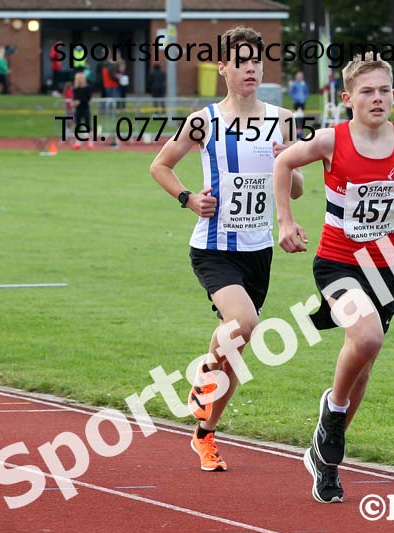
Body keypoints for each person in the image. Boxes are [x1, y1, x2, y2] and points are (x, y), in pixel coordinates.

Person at [273, 53, 394, 503]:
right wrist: (285, 220)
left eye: (384, 90)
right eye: (367, 91)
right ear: (348, 98)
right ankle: (332, 410)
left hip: (383, 268)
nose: (377, 98)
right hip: (336, 262)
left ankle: (325, 461)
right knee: (367, 338)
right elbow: (283, 164)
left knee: (364, 366)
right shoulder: (331, 139)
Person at [149, 26, 304, 472]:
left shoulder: (283, 119)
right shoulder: (203, 121)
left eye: (256, 61)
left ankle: (205, 434)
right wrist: (188, 199)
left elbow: (297, 188)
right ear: (222, 68)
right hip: (214, 246)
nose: (250, 69)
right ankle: (203, 375)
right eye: (240, 62)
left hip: (259, 249)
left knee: (236, 349)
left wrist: (287, 161)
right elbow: (160, 165)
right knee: (245, 322)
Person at [71, 72, 94, 150]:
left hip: (85, 108)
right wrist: (74, 103)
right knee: (77, 126)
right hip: (78, 109)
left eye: (82, 78)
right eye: (80, 78)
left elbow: (88, 98)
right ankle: (77, 142)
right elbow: (74, 98)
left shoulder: (88, 88)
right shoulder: (75, 89)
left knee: (88, 125)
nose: (81, 80)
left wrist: (79, 101)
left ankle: (90, 142)